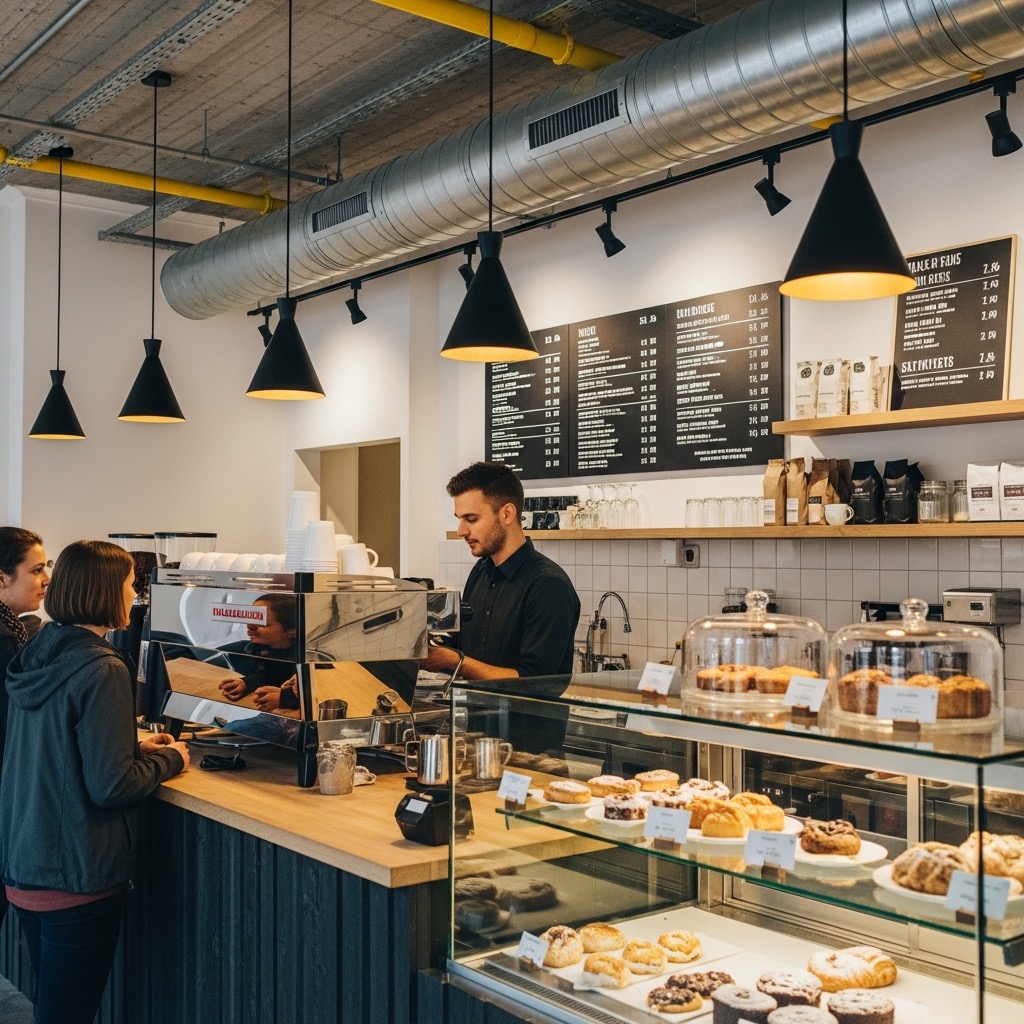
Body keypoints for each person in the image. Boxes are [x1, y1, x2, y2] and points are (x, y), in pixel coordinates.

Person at [0, 540, 189, 1024]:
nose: (134, 595)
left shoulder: (38, 650)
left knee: (50, 1007)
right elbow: (112, 786)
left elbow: (54, 749)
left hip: (26, 862)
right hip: (76, 873)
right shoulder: (103, 668)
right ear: (106, 591)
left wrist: (130, 748)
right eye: (129, 585)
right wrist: (171, 760)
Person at [422, 461, 581, 682]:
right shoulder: (480, 571)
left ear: (507, 514)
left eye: (471, 519)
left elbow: (535, 681)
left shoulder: (549, 586)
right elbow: (463, 646)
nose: (461, 531)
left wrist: (455, 662)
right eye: (459, 519)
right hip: (473, 705)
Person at [0, 527, 51, 933]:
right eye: (36, 570)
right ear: (2, 578)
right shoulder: (5, 641)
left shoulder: (16, 631)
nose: (46, 579)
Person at [216, 593, 299, 708]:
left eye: (261, 623)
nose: (249, 627)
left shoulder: (304, 656)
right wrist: (246, 683)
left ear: (292, 631)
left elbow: (311, 690)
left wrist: (284, 699)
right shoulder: (259, 647)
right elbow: (270, 675)